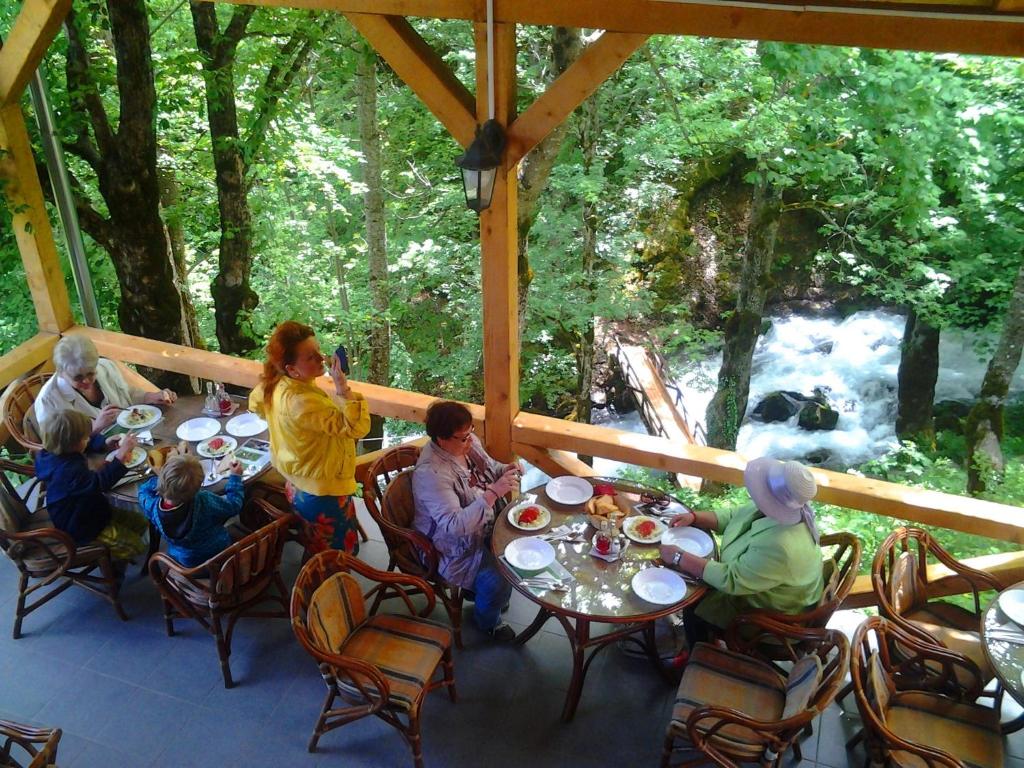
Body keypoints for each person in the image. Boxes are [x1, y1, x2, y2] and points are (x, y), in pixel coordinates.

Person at [660, 457, 825, 646]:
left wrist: (679, 556)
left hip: (771, 618)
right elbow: (734, 516)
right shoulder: (783, 509)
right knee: (695, 583)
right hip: (759, 590)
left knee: (693, 609)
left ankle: (702, 653)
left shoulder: (782, 546)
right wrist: (694, 517)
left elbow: (732, 579)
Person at [249, 321, 370, 553]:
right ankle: (328, 585)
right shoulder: (303, 401)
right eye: (311, 357)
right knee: (335, 555)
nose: (322, 359)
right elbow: (356, 428)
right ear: (292, 369)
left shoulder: (276, 384)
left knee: (318, 546)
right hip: (323, 493)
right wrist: (342, 388)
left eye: (318, 351)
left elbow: (255, 404)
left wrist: (286, 428)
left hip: (296, 481)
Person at [411, 400, 522, 642]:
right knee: (503, 570)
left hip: (485, 525)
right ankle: (487, 621)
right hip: (448, 547)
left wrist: (505, 470)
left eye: (471, 432)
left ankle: (489, 597)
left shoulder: (465, 444)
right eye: (463, 437)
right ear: (441, 439)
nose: (470, 441)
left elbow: (490, 467)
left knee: (518, 545)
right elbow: (454, 526)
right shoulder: (431, 474)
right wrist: (494, 493)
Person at [34, 409, 148, 562]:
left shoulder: (52, 453)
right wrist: (121, 457)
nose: (88, 439)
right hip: (82, 525)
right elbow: (101, 483)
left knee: (140, 522)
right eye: (85, 437)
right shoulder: (67, 472)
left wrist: (104, 443)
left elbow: (81, 447)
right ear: (75, 443)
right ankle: (114, 561)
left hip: (92, 507)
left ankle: (116, 551)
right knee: (137, 547)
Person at [34, 334, 177, 435]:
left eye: (90, 373)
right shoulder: (49, 401)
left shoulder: (105, 367)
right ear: (60, 372)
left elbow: (128, 393)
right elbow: (59, 450)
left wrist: (149, 396)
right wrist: (96, 428)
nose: (87, 381)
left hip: (131, 440)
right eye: (78, 377)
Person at [137, 454, 245, 568]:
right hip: (220, 555)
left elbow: (142, 491)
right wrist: (235, 477)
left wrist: (162, 482)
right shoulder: (204, 500)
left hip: (186, 563)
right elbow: (234, 506)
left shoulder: (151, 506)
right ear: (199, 487)